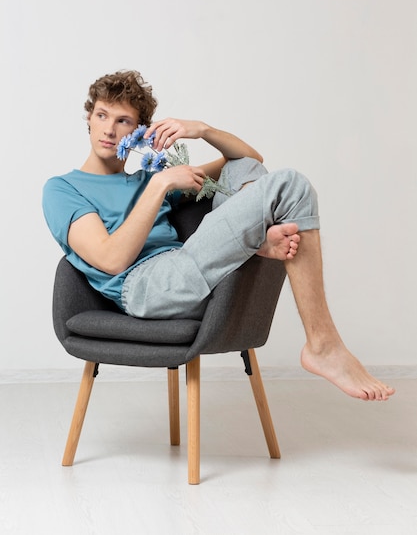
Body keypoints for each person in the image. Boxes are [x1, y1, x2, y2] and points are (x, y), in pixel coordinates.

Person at [42, 70, 395, 402]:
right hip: (145, 287)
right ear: (88, 118)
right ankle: (322, 343)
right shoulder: (63, 189)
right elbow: (111, 259)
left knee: (246, 170)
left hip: (186, 267)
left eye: (124, 121)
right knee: (291, 184)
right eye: (102, 115)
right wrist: (162, 184)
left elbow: (248, 160)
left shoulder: (146, 180)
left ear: (139, 133)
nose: (110, 129)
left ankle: (256, 245)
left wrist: (201, 129)